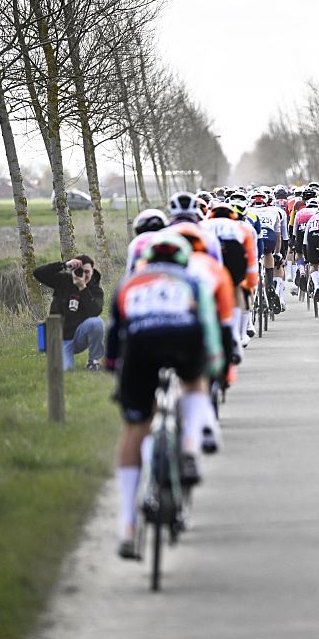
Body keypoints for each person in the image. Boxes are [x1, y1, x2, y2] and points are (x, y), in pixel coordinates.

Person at [104, 232, 223, 560]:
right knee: (195, 383)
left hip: (140, 344)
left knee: (135, 427)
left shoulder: (128, 283)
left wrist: (114, 369)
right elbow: (209, 327)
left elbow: (114, 337)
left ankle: (127, 526)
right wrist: (213, 364)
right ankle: (190, 448)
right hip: (184, 337)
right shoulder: (191, 280)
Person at [33, 254, 105, 371]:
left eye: (87, 272)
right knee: (66, 371)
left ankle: (93, 361)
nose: (83, 275)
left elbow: (95, 311)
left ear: (93, 271)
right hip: (60, 338)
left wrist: (83, 288)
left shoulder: (95, 290)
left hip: (79, 336)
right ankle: (60, 357)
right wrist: (64, 264)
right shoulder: (63, 281)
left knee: (97, 322)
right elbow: (38, 273)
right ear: (73, 270)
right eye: (80, 271)